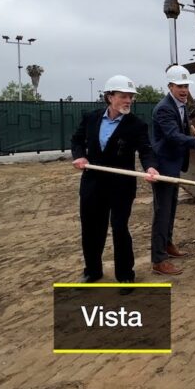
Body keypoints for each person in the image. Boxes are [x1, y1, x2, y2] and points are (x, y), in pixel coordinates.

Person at [71, 75, 159, 283]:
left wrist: (151, 167)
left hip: (121, 186)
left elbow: (146, 150)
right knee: (92, 228)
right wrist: (79, 156)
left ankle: (126, 275)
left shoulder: (136, 125)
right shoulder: (91, 118)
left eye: (131, 97)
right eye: (123, 96)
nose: (128, 101)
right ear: (110, 97)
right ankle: (93, 270)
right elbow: (76, 140)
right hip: (92, 183)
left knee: (119, 228)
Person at [150, 64, 195, 275]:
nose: (184, 90)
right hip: (163, 165)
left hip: (174, 165)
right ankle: (158, 259)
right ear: (170, 86)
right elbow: (173, 136)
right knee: (162, 211)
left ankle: (167, 244)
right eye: (179, 86)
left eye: (186, 86)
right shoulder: (165, 108)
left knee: (171, 208)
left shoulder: (180, 105)